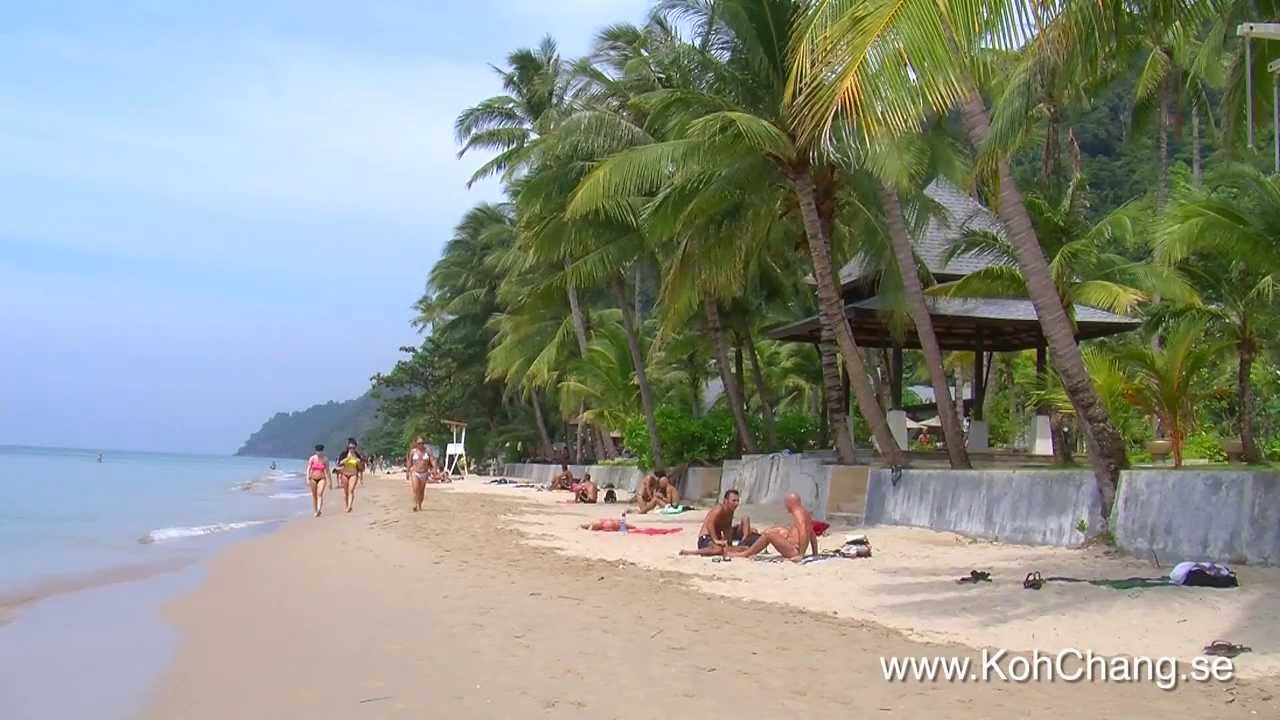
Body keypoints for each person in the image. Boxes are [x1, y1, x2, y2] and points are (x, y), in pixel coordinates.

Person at [728, 493, 818, 562]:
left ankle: (745, 554)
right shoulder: (804, 512)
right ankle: (754, 545)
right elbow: (812, 533)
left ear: (791, 503)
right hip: (794, 547)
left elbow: (804, 532)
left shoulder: (798, 513)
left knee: (769, 534)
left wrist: (800, 555)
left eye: (786, 503)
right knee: (779, 530)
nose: (786, 506)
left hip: (793, 551)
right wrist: (815, 553)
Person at [680, 489, 755, 557]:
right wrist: (715, 540)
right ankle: (690, 552)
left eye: (738, 501)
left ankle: (743, 542)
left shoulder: (730, 512)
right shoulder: (719, 508)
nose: (736, 503)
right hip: (705, 538)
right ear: (725, 501)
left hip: (716, 539)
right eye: (734, 501)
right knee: (718, 550)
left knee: (743, 547)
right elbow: (710, 524)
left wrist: (729, 543)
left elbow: (727, 528)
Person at [336, 439, 365, 513]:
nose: (351, 449)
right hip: (344, 474)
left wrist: (359, 463)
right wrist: (346, 459)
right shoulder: (344, 454)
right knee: (346, 492)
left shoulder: (357, 455)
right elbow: (338, 464)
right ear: (347, 447)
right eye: (350, 448)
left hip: (354, 474)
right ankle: (347, 505)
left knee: (351, 490)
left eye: (353, 448)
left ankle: (349, 506)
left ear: (355, 448)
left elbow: (361, 468)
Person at [305, 444, 330, 517]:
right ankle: (316, 511)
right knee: (314, 496)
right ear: (316, 451)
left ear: (323, 451)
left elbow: (327, 471)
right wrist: (307, 478)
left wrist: (330, 481)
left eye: (321, 451)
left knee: (319, 494)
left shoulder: (325, 459)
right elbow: (308, 469)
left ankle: (319, 509)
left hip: (322, 478)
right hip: (313, 478)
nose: (319, 453)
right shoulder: (312, 458)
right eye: (318, 451)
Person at [405, 438, 430, 512]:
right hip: (415, 472)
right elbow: (409, 462)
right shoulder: (413, 451)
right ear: (416, 444)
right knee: (416, 489)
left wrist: (434, 468)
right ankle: (415, 504)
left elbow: (432, 459)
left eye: (422, 443)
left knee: (421, 491)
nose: (421, 445)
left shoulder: (427, 451)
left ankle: (419, 504)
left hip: (424, 473)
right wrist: (407, 471)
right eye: (419, 443)